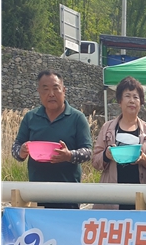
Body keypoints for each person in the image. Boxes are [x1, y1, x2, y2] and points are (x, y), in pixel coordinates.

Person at [12, 70, 93, 209]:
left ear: (64, 90)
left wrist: (69, 155)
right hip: (37, 193)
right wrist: (22, 152)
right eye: (45, 89)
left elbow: (88, 152)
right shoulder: (31, 117)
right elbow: (16, 147)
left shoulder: (77, 118)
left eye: (56, 88)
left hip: (68, 194)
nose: (51, 94)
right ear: (39, 92)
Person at [92, 76, 146, 210]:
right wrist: (106, 155)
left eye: (136, 97)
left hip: (142, 196)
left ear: (141, 103)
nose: (132, 100)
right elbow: (95, 161)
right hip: (112, 196)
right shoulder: (107, 128)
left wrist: (143, 159)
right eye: (127, 96)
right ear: (119, 101)